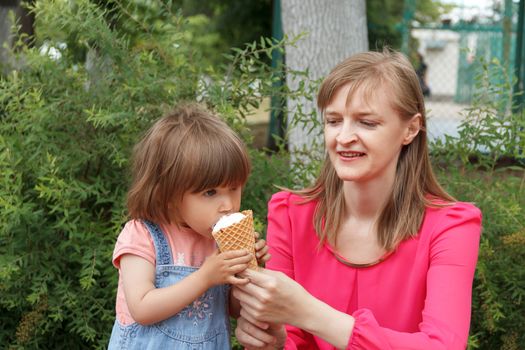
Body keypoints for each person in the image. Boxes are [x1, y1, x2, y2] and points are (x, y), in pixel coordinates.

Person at [233, 49, 482, 349]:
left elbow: (443, 345)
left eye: (367, 122)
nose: (344, 137)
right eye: (334, 121)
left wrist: (308, 312)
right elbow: (289, 338)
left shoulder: (450, 226)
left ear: (411, 129)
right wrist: (270, 341)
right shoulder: (289, 214)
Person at [107, 103, 270, 349]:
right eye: (210, 192)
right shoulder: (143, 236)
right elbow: (141, 307)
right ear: (169, 195)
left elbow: (234, 310)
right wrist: (205, 277)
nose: (227, 205)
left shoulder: (218, 242)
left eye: (234, 188)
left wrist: (249, 270)